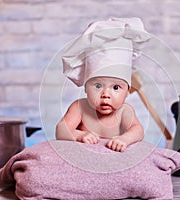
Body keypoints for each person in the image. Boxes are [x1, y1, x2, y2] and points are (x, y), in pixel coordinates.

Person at [55, 17, 151, 152]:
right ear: (86, 88)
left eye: (116, 88)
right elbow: (61, 130)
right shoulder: (79, 107)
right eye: (98, 86)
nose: (105, 95)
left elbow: (138, 130)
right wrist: (80, 135)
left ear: (127, 92)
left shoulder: (124, 111)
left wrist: (124, 139)